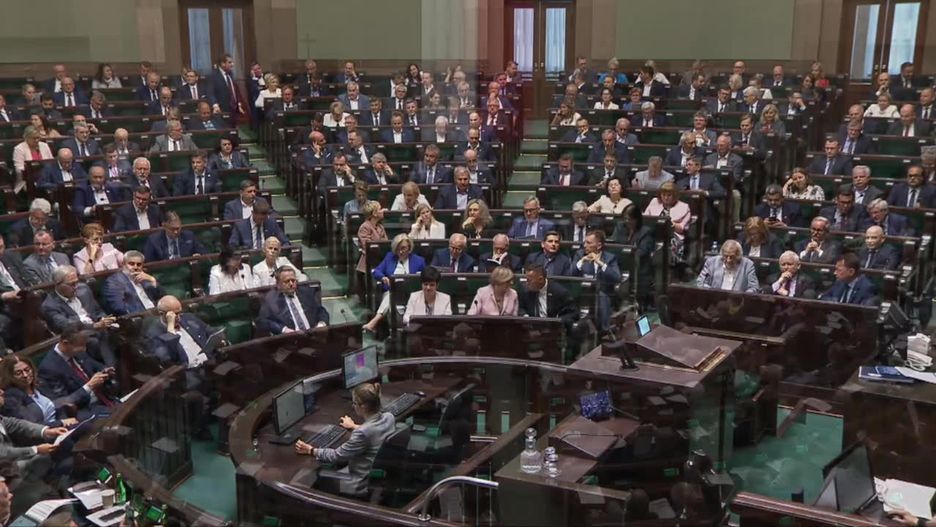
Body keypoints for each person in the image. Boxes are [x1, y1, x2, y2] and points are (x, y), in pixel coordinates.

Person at [294, 382, 395, 498]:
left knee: (309, 477)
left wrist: (311, 450)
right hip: (375, 473)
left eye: (355, 403)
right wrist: (354, 426)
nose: (353, 406)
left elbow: (336, 456)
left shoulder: (362, 433)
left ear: (363, 406)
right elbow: (375, 431)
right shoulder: (389, 417)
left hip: (359, 481)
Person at [364, 234, 426, 332]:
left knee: (391, 296)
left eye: (403, 248)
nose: (400, 251)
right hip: (391, 291)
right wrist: (383, 277)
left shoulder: (418, 261)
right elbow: (376, 271)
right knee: (391, 295)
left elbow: (425, 277)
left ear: (409, 248)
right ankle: (389, 330)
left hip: (412, 293)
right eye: (398, 249)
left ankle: (375, 321)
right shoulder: (390, 257)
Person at [1, 354, 78, 428]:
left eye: (27, 370)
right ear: (10, 376)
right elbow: (31, 426)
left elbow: (58, 406)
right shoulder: (12, 397)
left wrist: (66, 422)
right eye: (18, 373)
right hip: (46, 433)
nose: (25, 375)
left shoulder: (40, 384)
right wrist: (61, 423)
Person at [572, 230, 621, 331]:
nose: (584, 245)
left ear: (599, 246)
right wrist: (582, 261)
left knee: (601, 297)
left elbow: (616, 277)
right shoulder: (579, 255)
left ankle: (604, 330)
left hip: (602, 294)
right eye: (585, 242)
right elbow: (570, 274)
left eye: (588, 243)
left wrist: (600, 263)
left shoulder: (610, 258)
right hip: (583, 293)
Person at [258, 267, 329, 334]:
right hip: (289, 339)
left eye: (293, 280)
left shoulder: (306, 293)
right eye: (286, 281)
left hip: (313, 335)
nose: (291, 284)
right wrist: (283, 329)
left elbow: (321, 311)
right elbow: (263, 321)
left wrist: (322, 324)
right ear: (278, 284)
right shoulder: (271, 299)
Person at [101, 251, 162, 316]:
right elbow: (118, 307)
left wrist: (153, 280)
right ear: (123, 264)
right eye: (131, 264)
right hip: (138, 316)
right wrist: (143, 314)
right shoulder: (114, 281)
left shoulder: (145, 278)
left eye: (139, 264)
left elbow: (161, 297)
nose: (135, 267)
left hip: (156, 313)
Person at [644, 182, 691, 262]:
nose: (666, 198)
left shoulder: (684, 207)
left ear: (675, 196)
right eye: (663, 195)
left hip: (673, 236)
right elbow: (645, 219)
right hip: (652, 234)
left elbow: (682, 228)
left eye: (669, 195)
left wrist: (672, 225)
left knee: (666, 246)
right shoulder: (654, 202)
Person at [356, 201, 388, 276]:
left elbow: (386, 243)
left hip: (381, 258)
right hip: (368, 263)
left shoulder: (380, 227)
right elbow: (367, 246)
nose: (383, 210)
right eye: (380, 209)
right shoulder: (364, 227)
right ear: (374, 213)